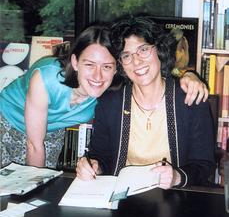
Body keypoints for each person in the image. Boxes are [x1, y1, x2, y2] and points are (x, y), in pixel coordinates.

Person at [0, 23, 208, 170]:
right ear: (74, 62)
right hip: (6, 121)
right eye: (89, 64)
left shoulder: (108, 90)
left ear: (116, 68)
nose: (98, 76)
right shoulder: (48, 78)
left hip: (50, 134)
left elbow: (149, 74)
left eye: (107, 66)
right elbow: (34, 144)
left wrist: (188, 75)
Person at [76, 15, 215, 188]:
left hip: (176, 198)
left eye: (143, 50)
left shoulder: (190, 98)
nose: (136, 61)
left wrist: (176, 177)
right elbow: (101, 156)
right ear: (121, 65)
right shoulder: (110, 103)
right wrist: (94, 166)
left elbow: (204, 164)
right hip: (123, 198)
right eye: (126, 55)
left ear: (159, 50)